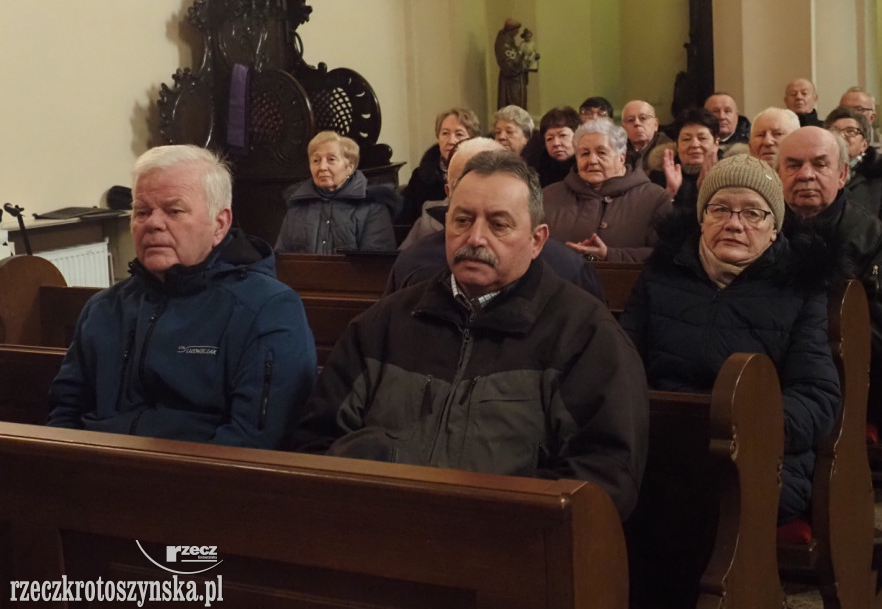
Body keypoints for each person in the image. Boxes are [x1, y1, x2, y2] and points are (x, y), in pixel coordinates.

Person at [292, 150, 649, 520]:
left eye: (498, 224)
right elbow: (315, 443)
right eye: (462, 220)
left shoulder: (586, 335)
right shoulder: (381, 324)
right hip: (378, 538)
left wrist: (484, 525)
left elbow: (605, 478)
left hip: (508, 554)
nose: (475, 238)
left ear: (537, 239)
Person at [48, 145, 317, 448]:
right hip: (92, 474)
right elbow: (65, 410)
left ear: (219, 224)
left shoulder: (268, 309)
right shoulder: (104, 308)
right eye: (142, 211)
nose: (153, 223)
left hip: (198, 483)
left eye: (174, 210)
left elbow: (254, 439)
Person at [621, 155, 840, 523]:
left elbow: (816, 395)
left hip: (760, 454)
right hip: (662, 443)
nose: (734, 224)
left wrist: (748, 429)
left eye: (753, 213)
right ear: (702, 218)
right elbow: (622, 363)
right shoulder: (662, 275)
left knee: (690, 501)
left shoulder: (799, 288)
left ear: (775, 228)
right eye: (720, 209)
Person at [777, 127, 882, 421]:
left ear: (842, 174)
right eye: (794, 165)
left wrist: (822, 355)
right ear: (778, 173)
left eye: (820, 164)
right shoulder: (763, 226)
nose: (806, 175)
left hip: (837, 373)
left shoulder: (868, 234)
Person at [386, 137, 603, 299]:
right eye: (464, 184)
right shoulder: (414, 262)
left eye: (498, 224)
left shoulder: (567, 270)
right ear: (449, 192)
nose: (476, 238)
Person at [543, 119, 673, 262]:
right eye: (584, 153)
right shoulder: (549, 196)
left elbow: (666, 255)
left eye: (602, 152)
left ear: (621, 158)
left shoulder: (654, 198)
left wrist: (609, 255)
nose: (592, 160)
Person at [275, 132, 400, 254]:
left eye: (331, 159)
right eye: (316, 160)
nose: (322, 167)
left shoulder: (373, 206)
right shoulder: (297, 206)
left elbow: (375, 265)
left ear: (349, 167)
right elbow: (282, 259)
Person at [824, 108, 882, 234]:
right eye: (834, 131)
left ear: (864, 144)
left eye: (850, 131)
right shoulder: (815, 173)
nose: (841, 136)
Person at [399, 108, 480, 224]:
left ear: (472, 140)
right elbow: (406, 225)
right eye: (445, 133)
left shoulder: (483, 175)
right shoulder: (420, 177)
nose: (451, 140)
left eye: (459, 134)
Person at [648, 107, 720, 208]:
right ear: (677, 145)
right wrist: (670, 193)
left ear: (716, 143)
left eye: (702, 138)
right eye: (686, 139)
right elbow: (652, 220)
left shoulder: (729, 176)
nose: (694, 145)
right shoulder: (659, 177)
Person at [522, 106, 581, 187]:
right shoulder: (537, 171)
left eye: (563, 135)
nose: (556, 143)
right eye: (550, 139)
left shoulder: (588, 167)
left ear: (578, 136)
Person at [840, 86, 882, 153]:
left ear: (872, 117)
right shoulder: (829, 143)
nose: (849, 114)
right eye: (844, 109)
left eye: (858, 110)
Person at [622, 99, 672, 175]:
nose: (637, 123)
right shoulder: (617, 150)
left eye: (643, 118)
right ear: (624, 128)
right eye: (631, 120)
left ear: (656, 124)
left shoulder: (667, 150)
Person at [495, 18, 526, 108]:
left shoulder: (510, 40)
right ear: (511, 30)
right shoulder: (503, 43)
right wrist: (520, 64)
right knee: (512, 106)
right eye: (516, 30)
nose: (518, 32)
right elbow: (507, 65)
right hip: (510, 81)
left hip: (516, 80)